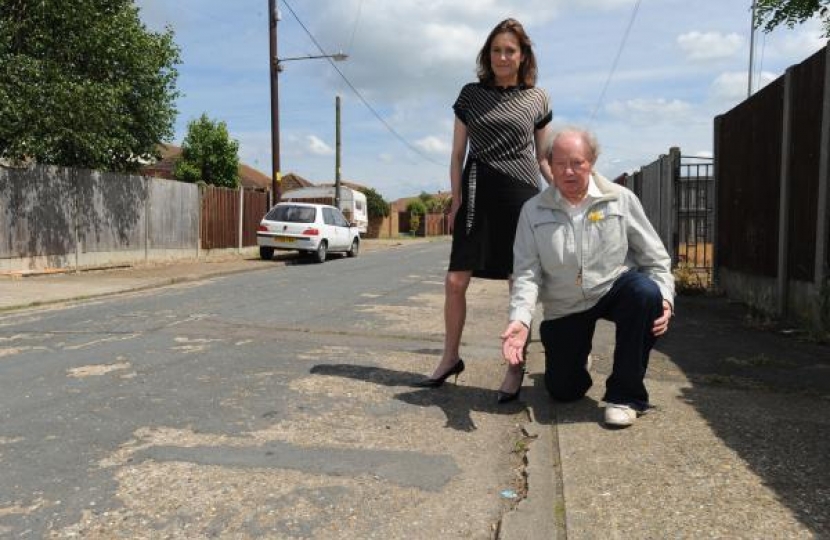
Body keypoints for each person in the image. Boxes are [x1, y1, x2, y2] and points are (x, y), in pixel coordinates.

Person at [413, 18, 552, 401]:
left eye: (510, 50)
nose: (502, 57)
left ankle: (514, 366)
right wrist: (456, 200)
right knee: (456, 280)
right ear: (487, 55)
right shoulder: (470, 95)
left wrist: (562, 190)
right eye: (496, 50)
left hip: (520, 194)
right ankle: (450, 357)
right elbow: (457, 153)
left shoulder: (537, 98)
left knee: (517, 283)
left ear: (523, 56)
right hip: (476, 190)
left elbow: (542, 158)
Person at [500, 128, 675, 428]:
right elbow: (527, 273)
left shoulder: (620, 199)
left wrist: (666, 298)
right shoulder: (533, 210)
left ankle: (625, 395)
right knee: (564, 391)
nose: (568, 171)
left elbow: (655, 258)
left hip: (612, 287)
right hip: (565, 305)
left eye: (577, 162)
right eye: (560, 164)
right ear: (549, 165)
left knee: (645, 293)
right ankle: (579, 357)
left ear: (592, 161)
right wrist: (520, 320)